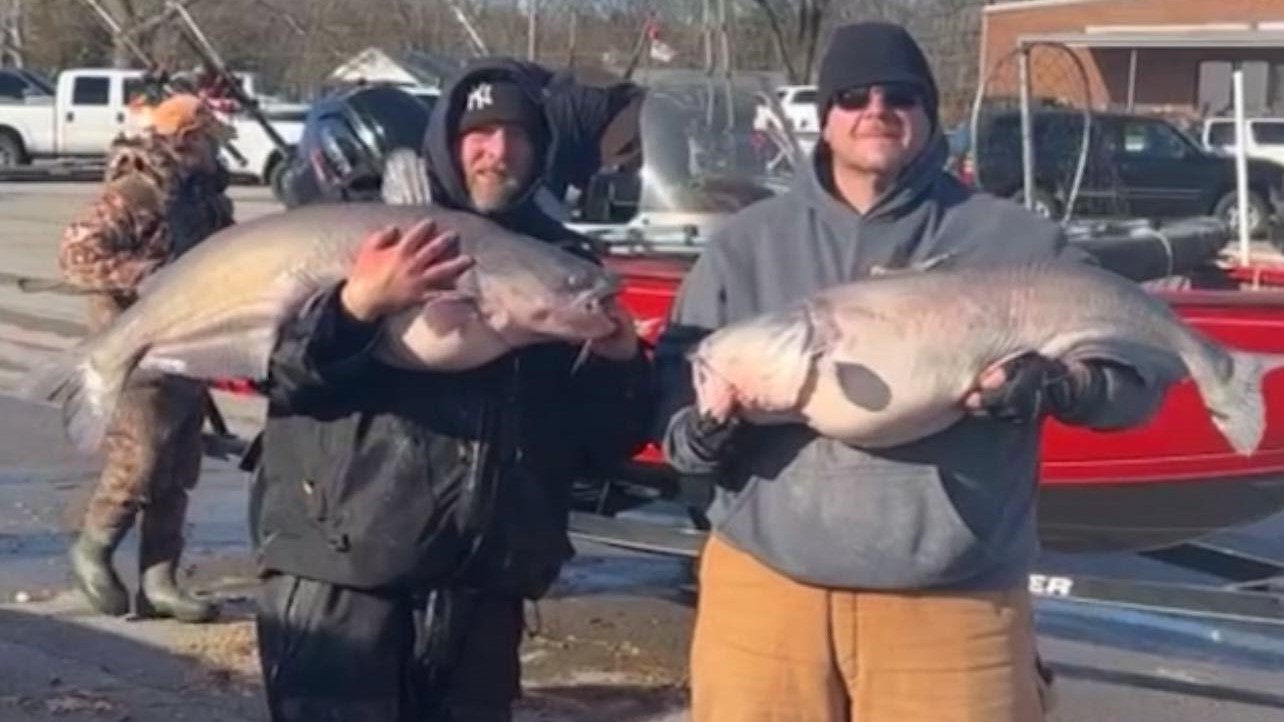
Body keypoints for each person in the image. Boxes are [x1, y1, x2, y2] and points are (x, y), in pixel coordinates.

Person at [655, 22, 1173, 722]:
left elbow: (1137, 381)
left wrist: (1059, 386)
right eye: (853, 95)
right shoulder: (745, 247)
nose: (876, 110)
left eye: (899, 95)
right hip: (764, 593)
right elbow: (668, 413)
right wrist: (706, 433)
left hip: (953, 603)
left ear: (929, 113)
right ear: (825, 115)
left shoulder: (1015, 243)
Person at [248, 57, 653, 722]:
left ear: (543, 148)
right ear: (448, 140)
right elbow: (286, 377)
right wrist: (357, 308)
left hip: (481, 596)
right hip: (344, 585)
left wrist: (617, 364)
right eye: (480, 134)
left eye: (518, 136)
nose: (498, 152)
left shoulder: (564, 268)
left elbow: (602, 443)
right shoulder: (367, 235)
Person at [59, 93, 236, 623]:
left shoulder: (204, 198)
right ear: (185, 140)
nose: (215, 152)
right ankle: (93, 547)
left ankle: (160, 580)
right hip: (133, 351)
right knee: (139, 462)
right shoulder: (136, 193)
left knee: (179, 469)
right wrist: (148, 280)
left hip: (189, 346)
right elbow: (76, 253)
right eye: (207, 141)